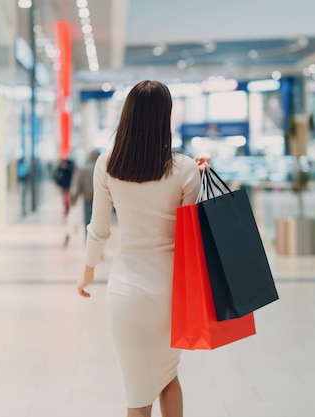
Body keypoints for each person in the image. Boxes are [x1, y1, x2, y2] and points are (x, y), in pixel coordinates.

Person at [77, 80, 209, 417]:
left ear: (128, 116)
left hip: (126, 291)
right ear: (165, 117)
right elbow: (190, 233)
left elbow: (99, 229)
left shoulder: (108, 165)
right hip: (171, 293)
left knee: (137, 391)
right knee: (167, 376)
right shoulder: (185, 169)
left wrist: (88, 270)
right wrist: (198, 172)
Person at [70, 148, 101, 241]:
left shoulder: (83, 170)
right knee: (99, 225)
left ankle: (88, 244)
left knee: (88, 223)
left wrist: (74, 199)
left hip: (87, 199)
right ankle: (99, 247)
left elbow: (78, 186)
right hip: (100, 201)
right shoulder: (102, 170)